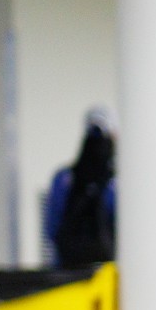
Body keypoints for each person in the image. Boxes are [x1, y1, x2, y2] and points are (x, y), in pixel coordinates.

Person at [43, 106, 116, 268]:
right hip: (104, 273)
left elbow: (52, 230)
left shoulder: (64, 179)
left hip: (67, 272)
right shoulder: (114, 185)